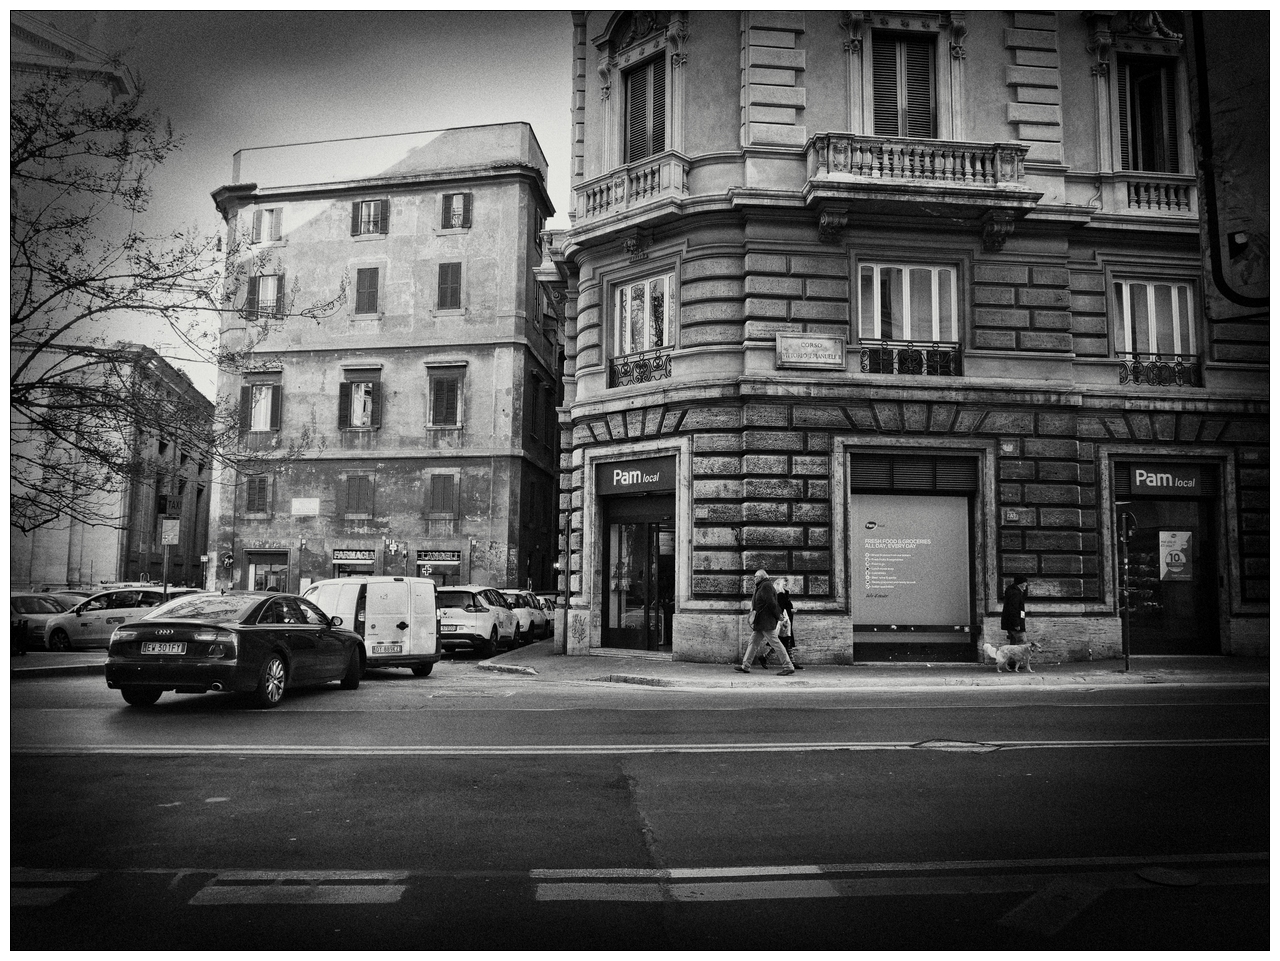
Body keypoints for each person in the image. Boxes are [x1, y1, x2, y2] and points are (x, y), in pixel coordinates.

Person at [736, 569, 795, 676]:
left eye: (755, 577)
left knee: (776, 643)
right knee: (753, 642)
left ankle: (788, 666)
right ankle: (745, 665)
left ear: (761, 577)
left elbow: (771, 603)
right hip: (761, 622)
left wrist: (779, 616)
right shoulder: (762, 586)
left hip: (765, 622)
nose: (754, 579)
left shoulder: (766, 586)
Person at [758, 577, 803, 670]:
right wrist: (791, 610)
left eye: (786, 584)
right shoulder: (781, 595)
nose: (786, 585)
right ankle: (790, 662)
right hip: (784, 622)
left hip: (785, 621)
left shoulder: (781, 595)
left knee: (784, 642)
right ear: (780, 584)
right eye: (784, 584)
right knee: (784, 641)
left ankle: (766, 657)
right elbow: (782, 608)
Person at [1000, 575, 1030, 644]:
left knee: (1014, 642)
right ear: (1021, 584)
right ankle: (1018, 655)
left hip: (1011, 623)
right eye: (1024, 585)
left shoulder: (1015, 592)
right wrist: (1016, 624)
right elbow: (1013, 610)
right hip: (1014, 624)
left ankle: (1011, 655)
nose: (1025, 588)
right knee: (1022, 641)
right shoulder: (1015, 594)